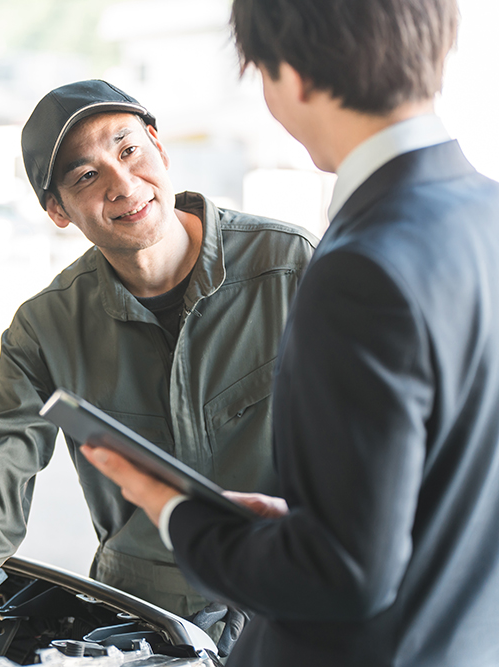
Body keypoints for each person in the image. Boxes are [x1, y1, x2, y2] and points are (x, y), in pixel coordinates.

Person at [84, 1, 499, 665]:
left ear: (295, 76)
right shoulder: (484, 215)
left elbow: (343, 576)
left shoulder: (363, 266)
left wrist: (174, 509)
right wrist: (308, 517)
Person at [0, 79, 316, 666]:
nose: (123, 185)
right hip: (147, 629)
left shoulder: (294, 272)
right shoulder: (46, 330)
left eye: (128, 151)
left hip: (294, 610)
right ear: (57, 210)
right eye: (86, 176)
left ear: (158, 145)